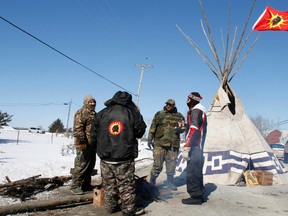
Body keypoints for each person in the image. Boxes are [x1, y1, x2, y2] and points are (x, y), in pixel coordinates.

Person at [90, 91, 147, 216]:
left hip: (105, 157)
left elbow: (93, 136)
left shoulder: (101, 113)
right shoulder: (132, 113)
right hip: (124, 157)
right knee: (126, 185)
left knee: (109, 184)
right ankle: (128, 210)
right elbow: (140, 131)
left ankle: (110, 208)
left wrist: (98, 149)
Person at [148, 99, 185, 191]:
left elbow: (184, 127)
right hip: (159, 144)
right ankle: (152, 182)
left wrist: (182, 129)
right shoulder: (159, 114)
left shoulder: (179, 116)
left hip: (173, 145)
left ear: (174, 106)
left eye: (170, 105)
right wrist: (149, 139)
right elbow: (153, 127)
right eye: (167, 104)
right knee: (157, 165)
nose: (168, 106)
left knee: (171, 166)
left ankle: (170, 183)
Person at [181, 92, 207, 205]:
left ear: (192, 100)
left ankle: (195, 196)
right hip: (198, 146)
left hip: (194, 146)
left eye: (188, 98)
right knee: (196, 171)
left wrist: (187, 146)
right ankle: (199, 192)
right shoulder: (198, 110)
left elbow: (195, 129)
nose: (187, 100)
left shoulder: (196, 111)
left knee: (192, 172)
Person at [70, 95, 97, 195]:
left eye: (94, 102)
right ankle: (75, 186)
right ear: (86, 102)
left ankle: (86, 184)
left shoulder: (94, 114)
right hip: (83, 144)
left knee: (90, 165)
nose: (92, 104)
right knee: (81, 165)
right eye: (90, 102)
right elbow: (77, 129)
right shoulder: (81, 112)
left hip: (92, 144)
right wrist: (82, 142)